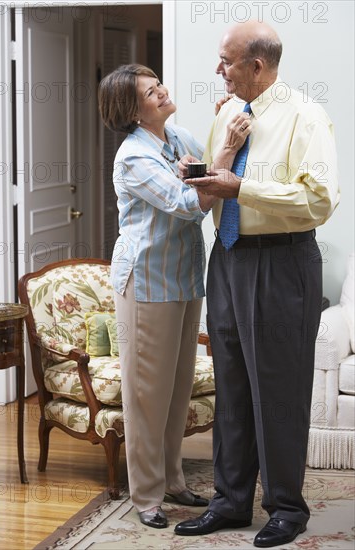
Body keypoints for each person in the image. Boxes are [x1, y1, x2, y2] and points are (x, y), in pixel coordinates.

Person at [174, 21, 339, 548]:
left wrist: (241, 187)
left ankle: (287, 508)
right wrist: (200, 172)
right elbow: (218, 179)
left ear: (257, 66)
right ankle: (230, 502)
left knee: (279, 391)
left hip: (281, 263)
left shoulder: (306, 115)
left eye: (225, 62)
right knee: (234, 388)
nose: (217, 71)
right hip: (227, 258)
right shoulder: (226, 111)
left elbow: (319, 200)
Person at [98, 64, 248, 529]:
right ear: (133, 110)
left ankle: (173, 479)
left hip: (183, 278)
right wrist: (225, 147)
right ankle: (146, 495)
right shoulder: (133, 157)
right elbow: (189, 205)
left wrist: (223, 121)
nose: (162, 90)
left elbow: (209, 166)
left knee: (178, 387)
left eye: (158, 82)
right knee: (148, 394)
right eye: (150, 90)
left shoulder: (178, 137)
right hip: (146, 283)